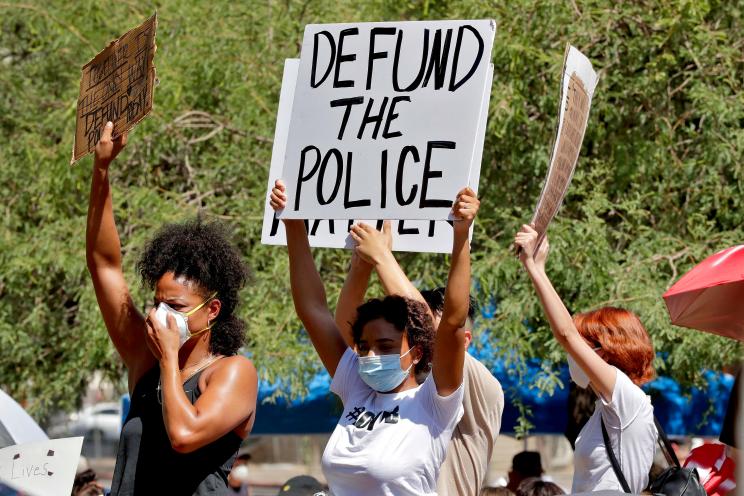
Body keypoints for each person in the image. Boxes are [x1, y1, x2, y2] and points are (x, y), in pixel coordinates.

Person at [269, 179, 474, 496]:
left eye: (386, 346)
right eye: (363, 347)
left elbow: (451, 323)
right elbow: (312, 310)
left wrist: (460, 237)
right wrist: (294, 222)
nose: (371, 356)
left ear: (417, 352)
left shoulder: (434, 402)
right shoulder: (357, 389)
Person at [86, 122, 258, 495]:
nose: (161, 314)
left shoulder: (233, 372)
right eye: (158, 302)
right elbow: (104, 264)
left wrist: (168, 360)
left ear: (212, 311)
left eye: (176, 305)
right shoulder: (143, 359)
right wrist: (101, 172)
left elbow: (184, 434)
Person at [332, 224, 504, 495]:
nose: (416, 336)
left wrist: (382, 257)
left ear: (465, 340)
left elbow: (437, 331)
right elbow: (345, 332)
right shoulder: (397, 385)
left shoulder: (478, 383)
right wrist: (361, 265)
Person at [514, 224, 656, 494]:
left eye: (584, 344)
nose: (574, 353)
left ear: (606, 349)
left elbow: (566, 334)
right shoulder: (611, 407)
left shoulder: (626, 397)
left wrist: (535, 268)